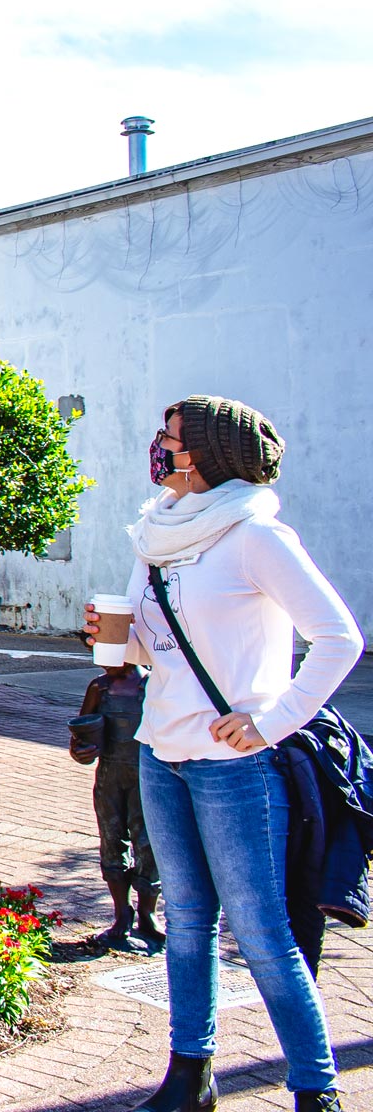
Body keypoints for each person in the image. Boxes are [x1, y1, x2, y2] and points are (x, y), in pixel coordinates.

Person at [87, 396, 362, 1112]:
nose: (157, 447)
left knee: (262, 931)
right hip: (160, 752)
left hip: (236, 767)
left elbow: (338, 637)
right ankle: (190, 1075)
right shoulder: (157, 533)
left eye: (170, 439)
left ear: (204, 453)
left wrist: (273, 720)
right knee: (185, 921)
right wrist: (115, 639)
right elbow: (155, 644)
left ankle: (315, 1089)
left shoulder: (254, 536)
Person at [69, 662, 164, 950]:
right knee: (111, 842)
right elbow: (81, 735)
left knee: (148, 847)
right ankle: (122, 912)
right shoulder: (100, 688)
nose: (104, 661)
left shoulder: (153, 685)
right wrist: (81, 750)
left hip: (147, 778)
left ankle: (148, 913)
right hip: (110, 778)